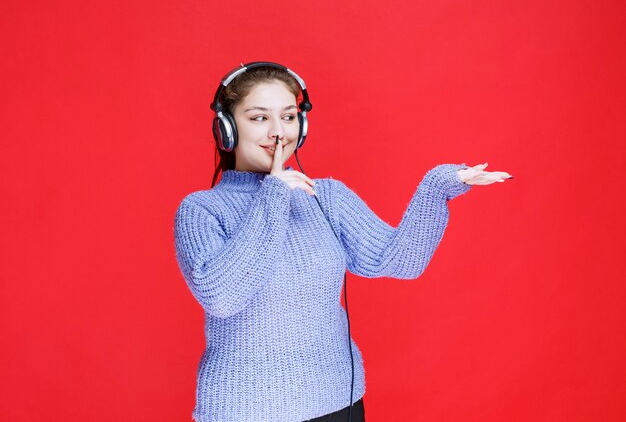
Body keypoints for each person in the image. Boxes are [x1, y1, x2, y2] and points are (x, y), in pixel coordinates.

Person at [173, 63, 513, 422]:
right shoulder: (200, 211)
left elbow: (399, 261)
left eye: (288, 117)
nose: (277, 132)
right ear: (226, 128)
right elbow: (222, 296)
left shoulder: (328, 197)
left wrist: (436, 187)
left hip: (338, 404)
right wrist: (273, 195)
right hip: (244, 411)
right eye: (259, 118)